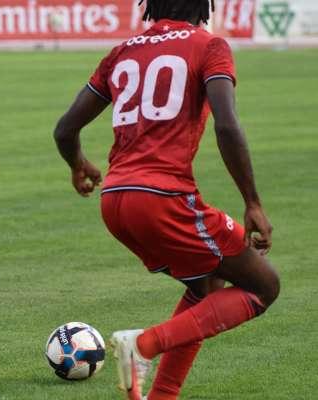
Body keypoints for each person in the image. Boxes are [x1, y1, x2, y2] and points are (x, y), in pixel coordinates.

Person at [53, 1, 280, 399]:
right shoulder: (209, 46)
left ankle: (162, 396)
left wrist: (79, 165)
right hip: (161, 198)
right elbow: (227, 125)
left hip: (115, 201)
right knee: (265, 286)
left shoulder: (122, 52)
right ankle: (144, 345)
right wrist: (253, 201)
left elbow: (64, 130)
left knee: (205, 288)